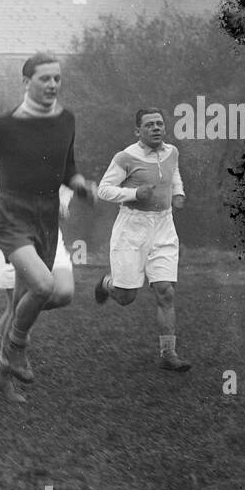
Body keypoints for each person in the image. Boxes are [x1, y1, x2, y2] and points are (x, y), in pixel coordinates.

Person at [0, 52, 96, 387]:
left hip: (47, 217)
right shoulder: (6, 124)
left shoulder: (67, 119)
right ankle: (14, 348)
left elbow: (68, 168)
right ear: (26, 82)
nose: (53, 84)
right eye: (45, 78)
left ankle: (3, 368)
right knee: (43, 285)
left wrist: (80, 186)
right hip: (10, 215)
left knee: (32, 295)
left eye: (57, 78)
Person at [93, 107, 192, 371]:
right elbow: (103, 190)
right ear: (138, 130)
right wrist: (135, 193)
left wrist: (178, 193)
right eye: (149, 125)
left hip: (164, 225)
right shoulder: (125, 157)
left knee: (166, 292)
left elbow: (175, 174)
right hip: (132, 228)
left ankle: (168, 354)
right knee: (126, 297)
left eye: (160, 123)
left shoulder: (172, 151)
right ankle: (107, 284)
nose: (157, 128)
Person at [0, 162, 74, 403]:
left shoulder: (60, 144)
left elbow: (68, 182)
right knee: (15, 307)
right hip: (15, 232)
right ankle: (3, 374)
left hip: (50, 233)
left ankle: (12, 345)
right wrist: (6, 211)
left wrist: (63, 203)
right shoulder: (12, 144)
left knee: (63, 292)